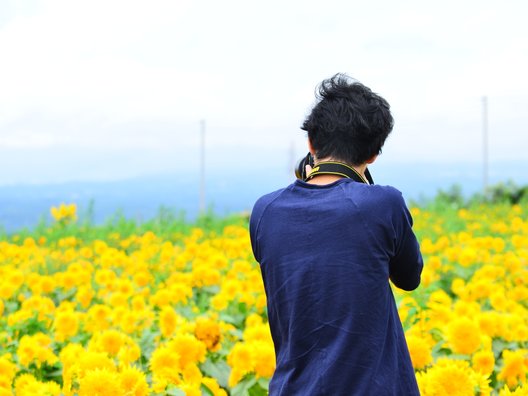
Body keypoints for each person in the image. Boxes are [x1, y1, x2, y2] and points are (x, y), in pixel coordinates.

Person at [249, 73, 423, 395]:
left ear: (312, 144)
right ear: (373, 154)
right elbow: (409, 277)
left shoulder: (265, 211)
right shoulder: (383, 204)